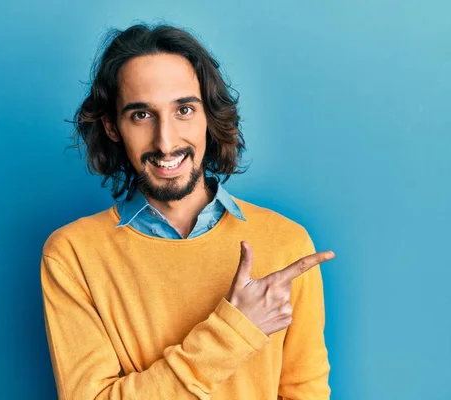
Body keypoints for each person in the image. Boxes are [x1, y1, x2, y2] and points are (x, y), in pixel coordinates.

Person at [40, 23, 336, 400]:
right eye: (141, 115)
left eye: (183, 110)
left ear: (208, 117)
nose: (166, 142)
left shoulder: (285, 244)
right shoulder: (72, 255)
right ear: (113, 127)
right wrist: (235, 332)